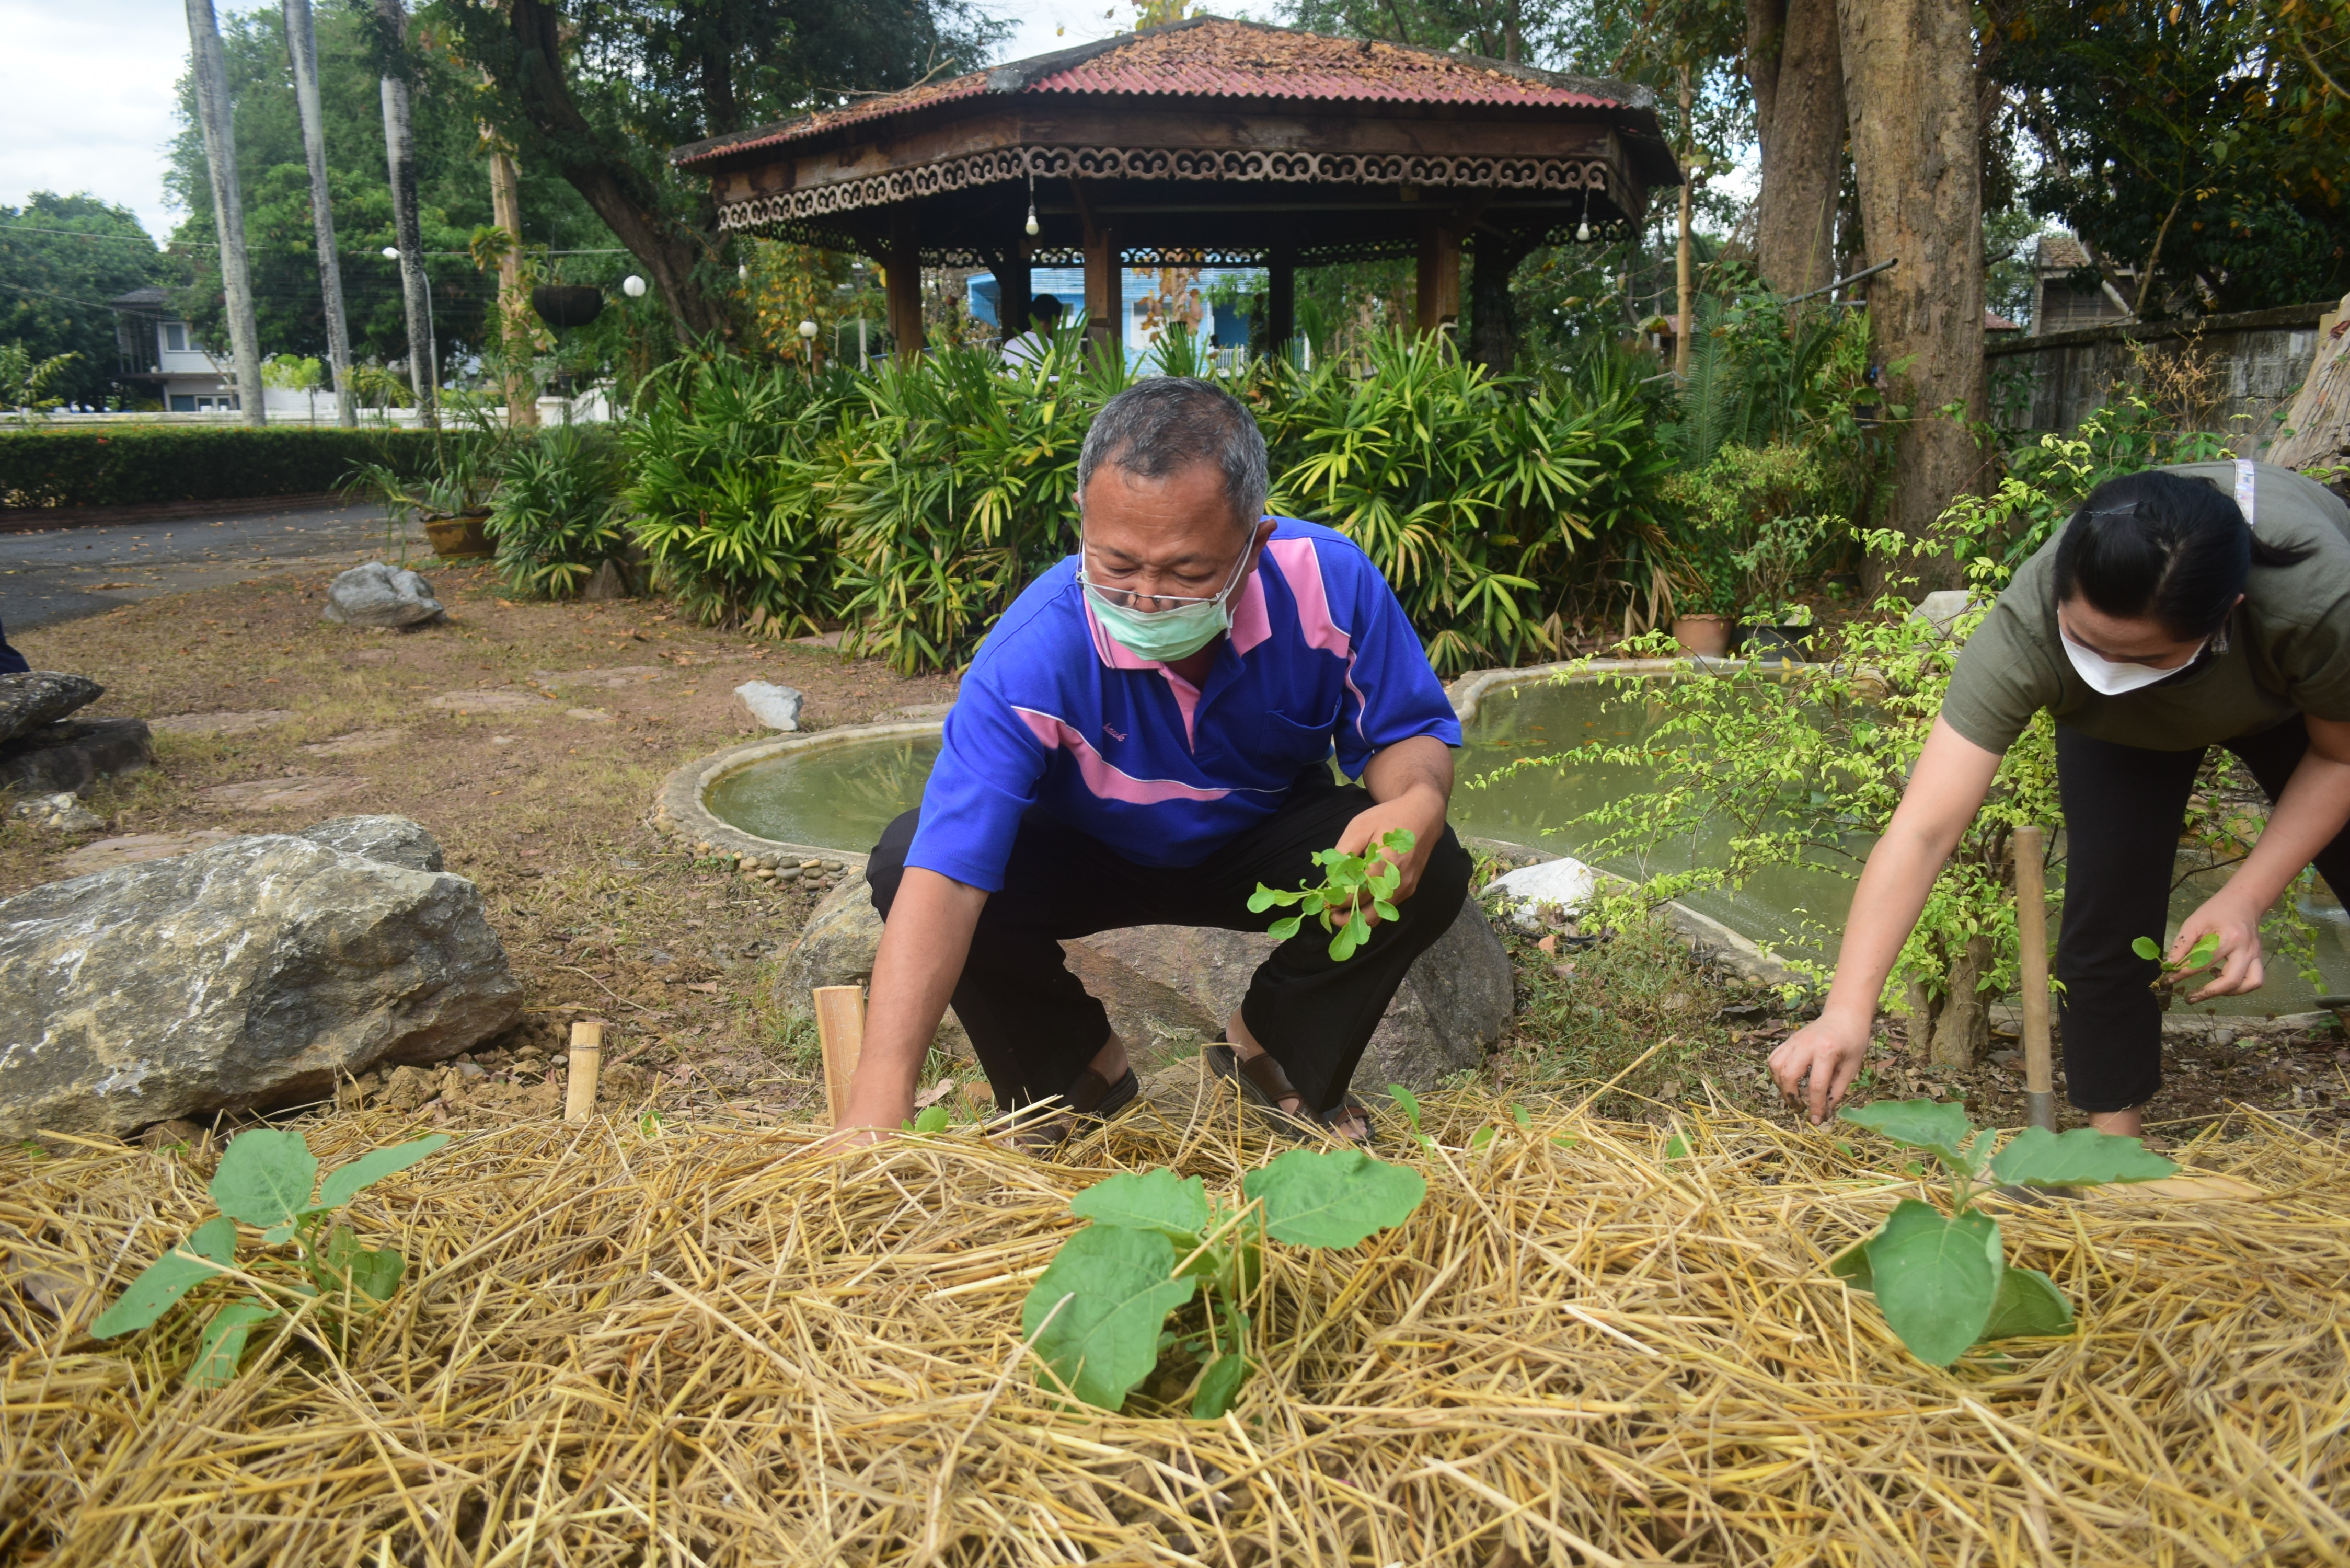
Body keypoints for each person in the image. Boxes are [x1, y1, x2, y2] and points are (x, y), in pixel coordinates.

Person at [839, 377, 1471, 1146]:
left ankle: (1274, 1048)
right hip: (1092, 851)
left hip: (1259, 842)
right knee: (906, 858)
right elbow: (947, 870)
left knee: (1425, 860)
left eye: (1187, 573)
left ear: (1255, 543)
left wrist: (1415, 801)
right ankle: (1073, 1074)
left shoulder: (1330, 583)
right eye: (1118, 563)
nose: (1145, 600)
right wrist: (880, 1091)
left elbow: (1404, 738)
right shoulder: (1032, 654)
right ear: (1084, 524)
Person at [1771, 459, 2350, 1135]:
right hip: (2122, 732)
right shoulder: (2031, 620)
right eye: (2086, 641)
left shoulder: (2321, 601)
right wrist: (1848, 1007)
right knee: (2106, 920)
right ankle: (2113, 1161)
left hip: (2304, 703)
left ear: (2229, 613)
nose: (2109, 668)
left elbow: (2340, 755)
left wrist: (2246, 897)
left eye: (2142, 657)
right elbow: (1924, 829)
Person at [1001, 295, 1065, 371]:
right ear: (1057, 319)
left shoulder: (1010, 345)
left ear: (1030, 317)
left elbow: (1000, 378)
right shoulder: (1052, 349)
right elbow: (1055, 383)